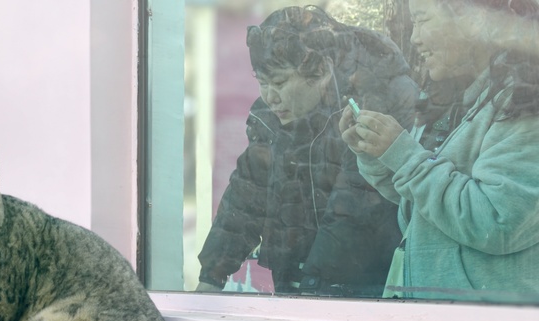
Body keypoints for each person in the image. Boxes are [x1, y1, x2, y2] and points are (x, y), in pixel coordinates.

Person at [196, 6, 418, 298]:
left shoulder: (371, 103)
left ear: (322, 72)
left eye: (279, 82)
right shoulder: (272, 118)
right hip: (299, 284)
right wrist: (211, 275)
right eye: (262, 82)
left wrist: (310, 291)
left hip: (367, 288)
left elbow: (354, 207)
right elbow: (246, 195)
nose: (270, 97)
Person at [340, 0, 539, 302]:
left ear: (472, 21)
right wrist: (379, 154)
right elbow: (426, 203)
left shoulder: (525, 103)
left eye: (422, 20)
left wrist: (403, 155)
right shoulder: (465, 98)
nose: (413, 39)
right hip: (445, 315)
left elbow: (498, 221)